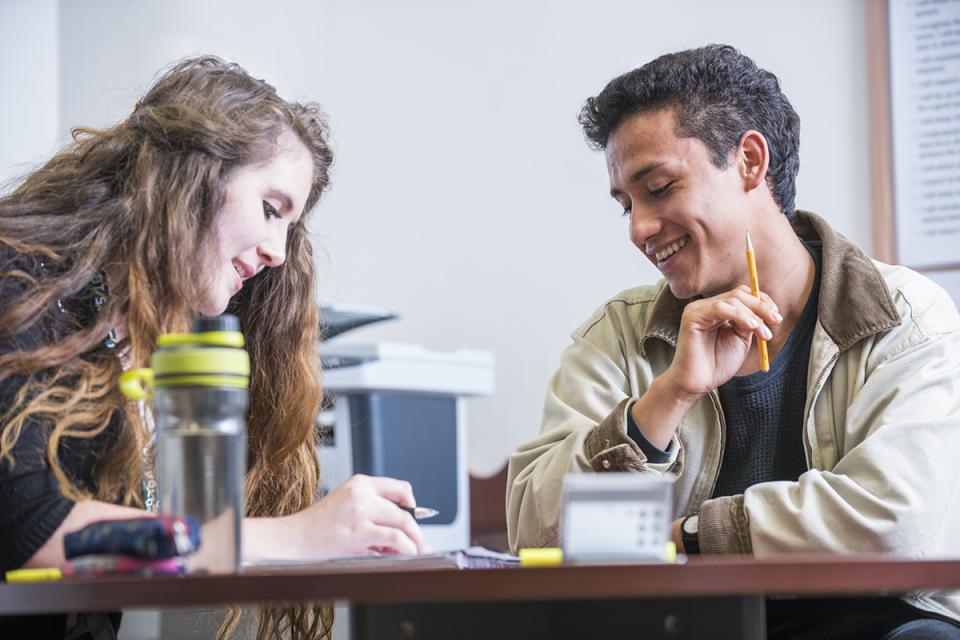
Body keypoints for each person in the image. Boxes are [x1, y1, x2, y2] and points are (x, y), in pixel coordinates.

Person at [506, 44, 960, 639]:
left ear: (749, 160)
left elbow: (900, 523)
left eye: (661, 187)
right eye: (626, 206)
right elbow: (533, 532)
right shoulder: (617, 335)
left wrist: (695, 539)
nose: (640, 228)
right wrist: (665, 400)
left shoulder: (905, 315)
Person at [0, 56, 428, 639]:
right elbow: (31, 529)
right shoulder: (19, 283)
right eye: (271, 209)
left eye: (290, 227)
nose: (278, 250)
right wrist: (298, 536)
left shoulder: (126, 338)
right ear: (194, 177)